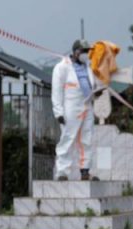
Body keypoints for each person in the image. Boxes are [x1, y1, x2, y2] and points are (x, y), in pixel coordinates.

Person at [51, 39, 105, 181]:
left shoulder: (88, 67)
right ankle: (62, 172)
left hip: (87, 106)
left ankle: (85, 171)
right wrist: (58, 112)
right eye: (84, 51)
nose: (87, 54)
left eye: (88, 51)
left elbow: (90, 87)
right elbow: (56, 91)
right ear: (76, 52)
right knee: (67, 139)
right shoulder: (62, 67)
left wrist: (97, 92)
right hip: (71, 107)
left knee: (86, 139)